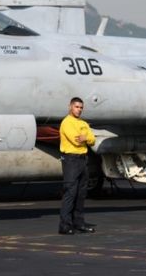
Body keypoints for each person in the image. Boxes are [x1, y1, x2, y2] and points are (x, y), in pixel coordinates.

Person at [58, 97, 96, 235]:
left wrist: (86, 138)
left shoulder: (84, 123)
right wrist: (86, 138)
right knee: (70, 192)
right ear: (70, 107)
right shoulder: (66, 123)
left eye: (81, 107)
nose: (79, 109)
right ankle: (65, 225)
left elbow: (92, 140)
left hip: (83, 160)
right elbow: (77, 141)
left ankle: (79, 223)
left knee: (81, 194)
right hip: (71, 160)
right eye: (76, 107)